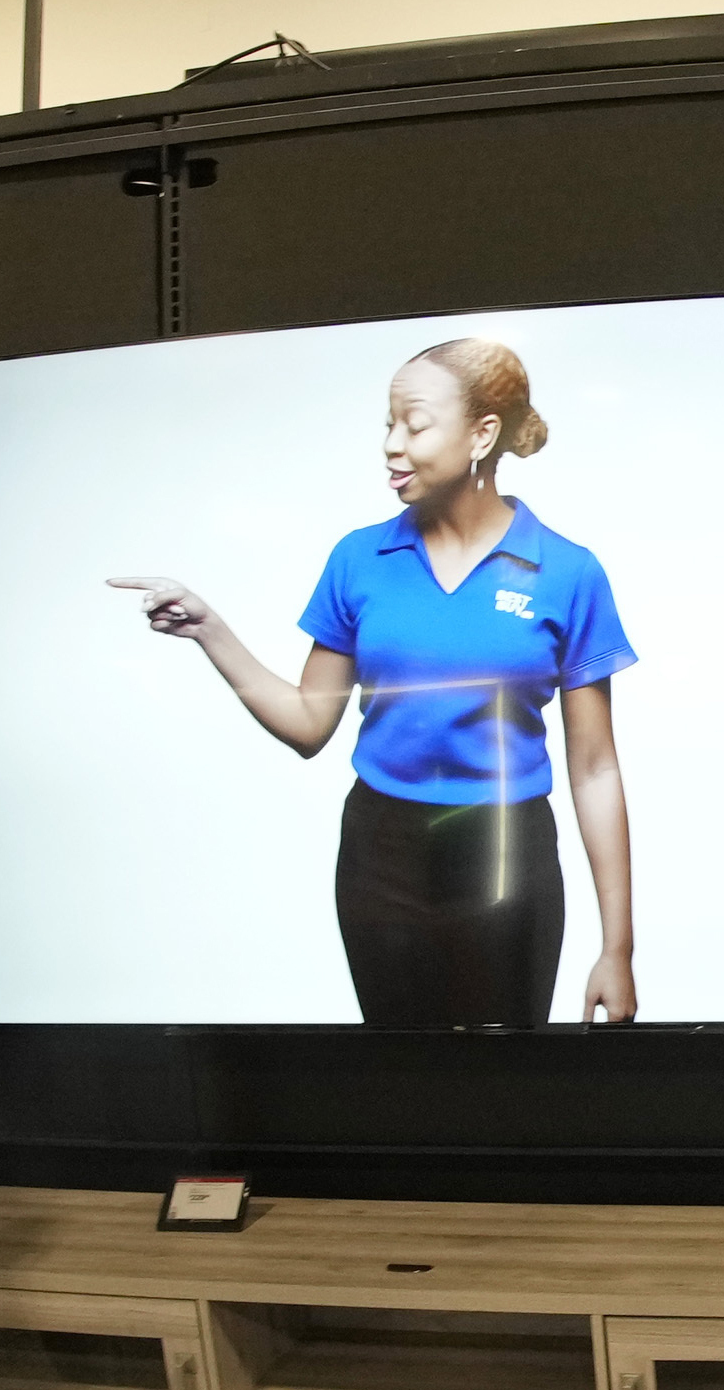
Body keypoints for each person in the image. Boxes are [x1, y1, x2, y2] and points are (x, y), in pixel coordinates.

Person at [111, 337, 640, 1027]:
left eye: (414, 423)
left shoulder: (568, 572)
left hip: (507, 857)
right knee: (396, 1080)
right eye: (387, 422)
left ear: (482, 433)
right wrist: (209, 627)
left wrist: (617, 950)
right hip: (379, 855)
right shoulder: (358, 559)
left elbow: (595, 769)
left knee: (501, 1089)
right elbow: (308, 724)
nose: (392, 444)